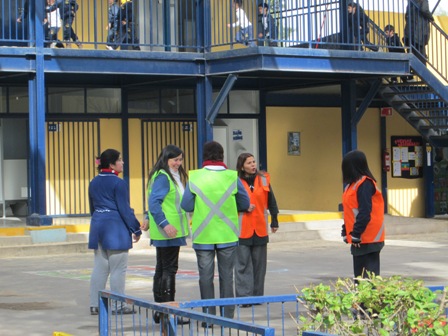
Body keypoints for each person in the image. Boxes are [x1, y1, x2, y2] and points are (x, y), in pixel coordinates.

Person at [181, 141, 250, 324]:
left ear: (204, 156)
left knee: (205, 277)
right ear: (222, 155)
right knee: (227, 276)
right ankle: (227, 318)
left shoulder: (195, 177)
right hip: (227, 235)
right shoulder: (231, 176)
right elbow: (244, 203)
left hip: (204, 235)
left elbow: (186, 205)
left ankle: (207, 317)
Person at [88, 149, 142, 315]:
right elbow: (124, 209)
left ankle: (95, 305)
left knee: (100, 267)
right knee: (118, 268)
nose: (122, 163)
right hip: (115, 229)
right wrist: (136, 228)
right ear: (112, 164)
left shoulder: (94, 182)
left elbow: (92, 208)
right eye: (120, 160)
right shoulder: (119, 183)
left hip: (98, 226)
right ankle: (119, 305)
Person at [142, 145, 189, 324]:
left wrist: (148, 218)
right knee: (169, 270)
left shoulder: (161, 175)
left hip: (163, 231)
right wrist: (165, 224)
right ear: (166, 159)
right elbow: (155, 202)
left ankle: (160, 309)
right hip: (169, 230)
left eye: (180, 159)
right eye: (174, 160)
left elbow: (152, 200)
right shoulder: (164, 177)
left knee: (161, 269)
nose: (178, 163)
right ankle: (169, 311)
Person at [234, 153, 279, 305]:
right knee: (243, 265)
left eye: (254, 162)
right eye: (249, 163)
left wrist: (274, 219)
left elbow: (271, 200)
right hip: (242, 229)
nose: (253, 165)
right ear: (242, 166)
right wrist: (243, 207)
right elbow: (230, 203)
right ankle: (244, 298)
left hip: (260, 227)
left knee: (259, 265)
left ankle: (257, 296)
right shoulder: (235, 181)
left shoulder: (264, 179)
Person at [341, 150, 385, 280]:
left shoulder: (365, 184)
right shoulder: (351, 186)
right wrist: (346, 231)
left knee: (368, 280)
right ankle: (361, 301)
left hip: (369, 239)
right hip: (360, 238)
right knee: (360, 279)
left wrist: (356, 234)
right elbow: (350, 212)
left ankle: (367, 301)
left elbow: (365, 212)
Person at [403, 0, 434, 65]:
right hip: (419, 32)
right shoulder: (423, 1)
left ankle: (412, 67)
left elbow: (406, 15)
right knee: (421, 54)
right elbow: (424, 10)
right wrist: (431, 17)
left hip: (410, 32)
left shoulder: (410, 2)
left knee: (412, 52)